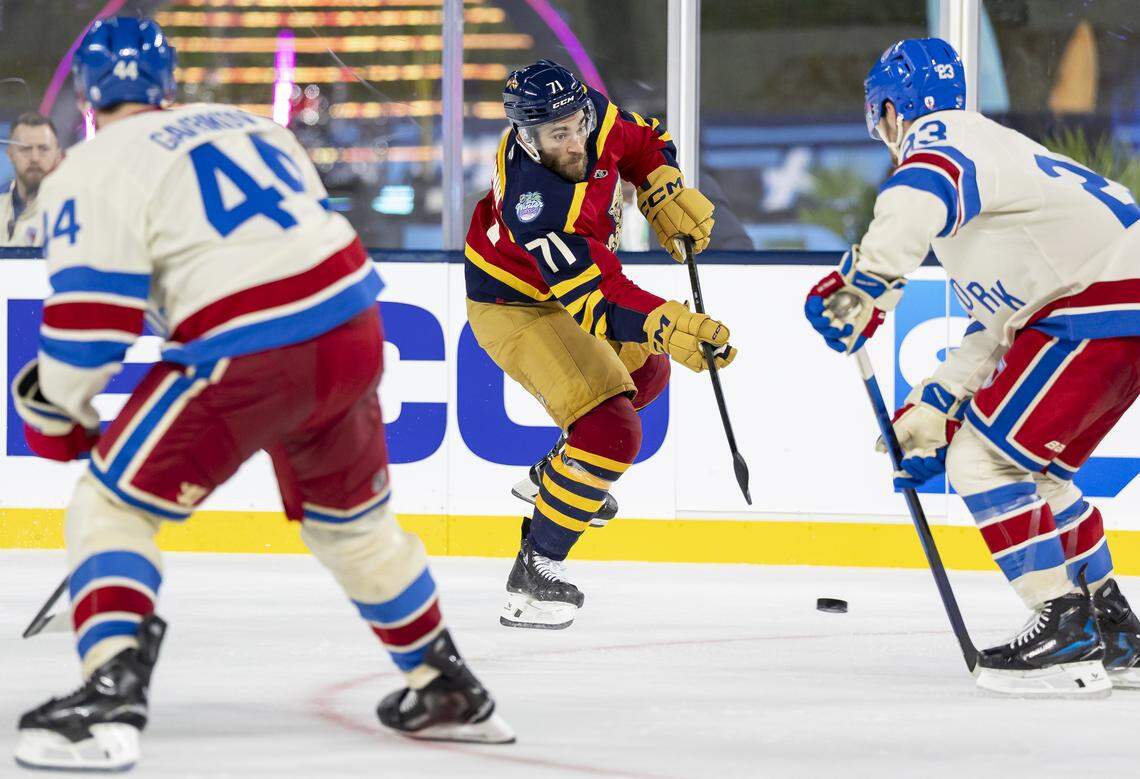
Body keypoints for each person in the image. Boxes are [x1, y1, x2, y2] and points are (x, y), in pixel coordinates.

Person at [12, 17, 512, 772]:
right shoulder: (252, 126)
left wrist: (58, 410)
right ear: (167, 84)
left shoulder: (89, 166)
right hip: (353, 325)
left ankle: (108, 698)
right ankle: (444, 682)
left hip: (250, 346)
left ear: (86, 95)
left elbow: (89, 330)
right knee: (351, 523)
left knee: (110, 505)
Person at [805, 37, 1140, 697]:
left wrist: (862, 288)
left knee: (982, 464)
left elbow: (921, 186)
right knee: (1039, 475)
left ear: (890, 110)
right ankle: (1113, 627)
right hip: (1109, 309)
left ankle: (1063, 622)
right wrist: (933, 409)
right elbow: (1000, 331)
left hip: (1097, 309)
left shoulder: (943, 139)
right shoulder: (1002, 163)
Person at [465, 60, 737, 630]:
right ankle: (533, 576)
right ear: (527, 138)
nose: (574, 142)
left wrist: (662, 186)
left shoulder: (586, 114)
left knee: (650, 375)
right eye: (556, 135)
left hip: (566, 289)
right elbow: (596, 301)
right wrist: (667, 320)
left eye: (575, 125)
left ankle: (556, 475)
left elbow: (642, 141)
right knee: (611, 431)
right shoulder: (534, 204)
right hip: (516, 304)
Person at [2, 112, 63, 246]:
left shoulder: (72, 207)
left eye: (43, 149)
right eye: (25, 149)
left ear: (58, 155)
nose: (35, 158)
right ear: (10, 154)